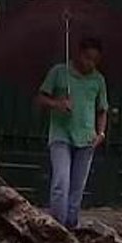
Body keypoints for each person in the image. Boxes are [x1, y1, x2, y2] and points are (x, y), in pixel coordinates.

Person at [36, 37, 109, 229]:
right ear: (78, 54)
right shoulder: (59, 72)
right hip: (61, 135)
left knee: (77, 188)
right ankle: (56, 226)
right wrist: (57, 104)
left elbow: (102, 109)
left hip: (86, 138)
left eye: (94, 60)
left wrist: (101, 133)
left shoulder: (98, 79)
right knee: (61, 182)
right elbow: (41, 98)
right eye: (87, 58)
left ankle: (71, 225)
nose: (90, 63)